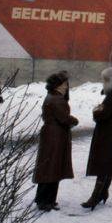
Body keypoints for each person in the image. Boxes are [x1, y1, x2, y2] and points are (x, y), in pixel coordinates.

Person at [33, 72, 79, 212]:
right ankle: (47, 201)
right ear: (58, 85)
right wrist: (74, 120)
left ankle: (42, 199)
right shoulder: (57, 99)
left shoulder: (50, 96)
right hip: (56, 137)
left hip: (50, 135)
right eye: (64, 84)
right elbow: (64, 119)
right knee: (53, 168)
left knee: (48, 167)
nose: (66, 87)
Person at [81, 68, 112, 210]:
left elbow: (102, 113)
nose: (103, 83)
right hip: (109, 134)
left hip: (106, 134)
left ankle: (96, 196)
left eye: (106, 80)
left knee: (104, 165)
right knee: (108, 165)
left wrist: (96, 111)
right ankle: (103, 193)